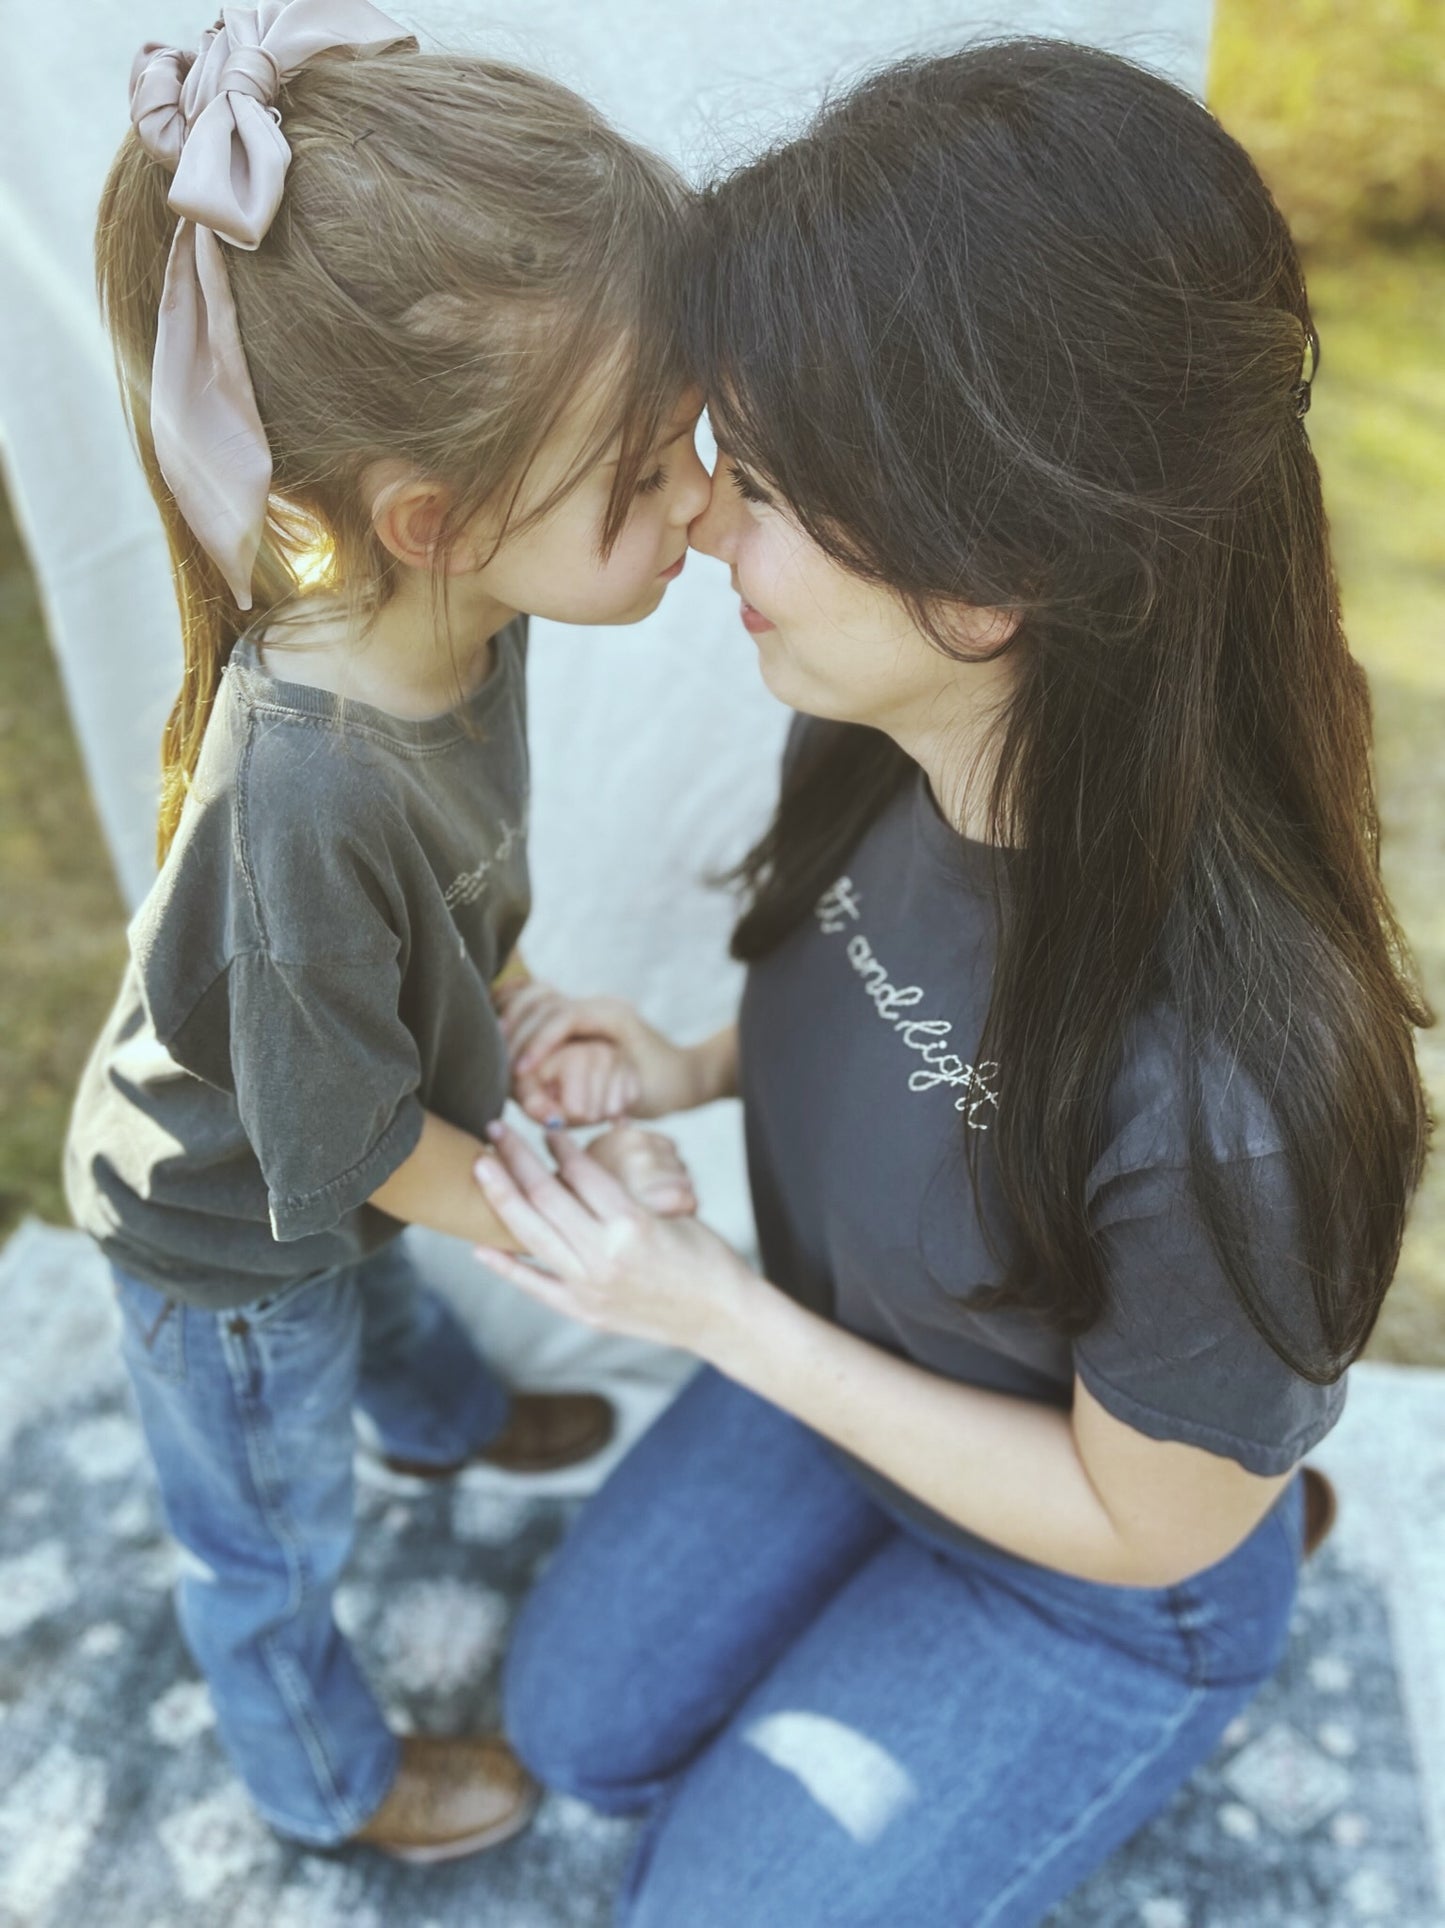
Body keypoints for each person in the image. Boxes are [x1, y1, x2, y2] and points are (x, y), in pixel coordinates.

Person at [474, 39, 1431, 1925]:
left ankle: (1246, 1542)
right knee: (578, 1731)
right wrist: (681, 1068)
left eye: (753, 485)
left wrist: (714, 1318)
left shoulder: (1243, 1089)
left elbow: (1126, 1522)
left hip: (1097, 1574)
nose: (696, 530)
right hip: (865, 1384)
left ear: (989, 569)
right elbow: (897, 1020)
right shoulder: (877, 737)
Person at [62, 0, 706, 1864]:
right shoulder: (307, 784)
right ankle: (321, 1781)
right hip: (225, 1227)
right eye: (638, 476)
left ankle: (433, 1421)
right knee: (267, 1524)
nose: (693, 505)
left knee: (390, 1275)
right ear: (430, 512)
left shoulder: (472, 623)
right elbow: (337, 1150)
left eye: (686, 444)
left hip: (339, 1137)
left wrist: (512, 1001)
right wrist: (574, 1228)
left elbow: (453, 901)